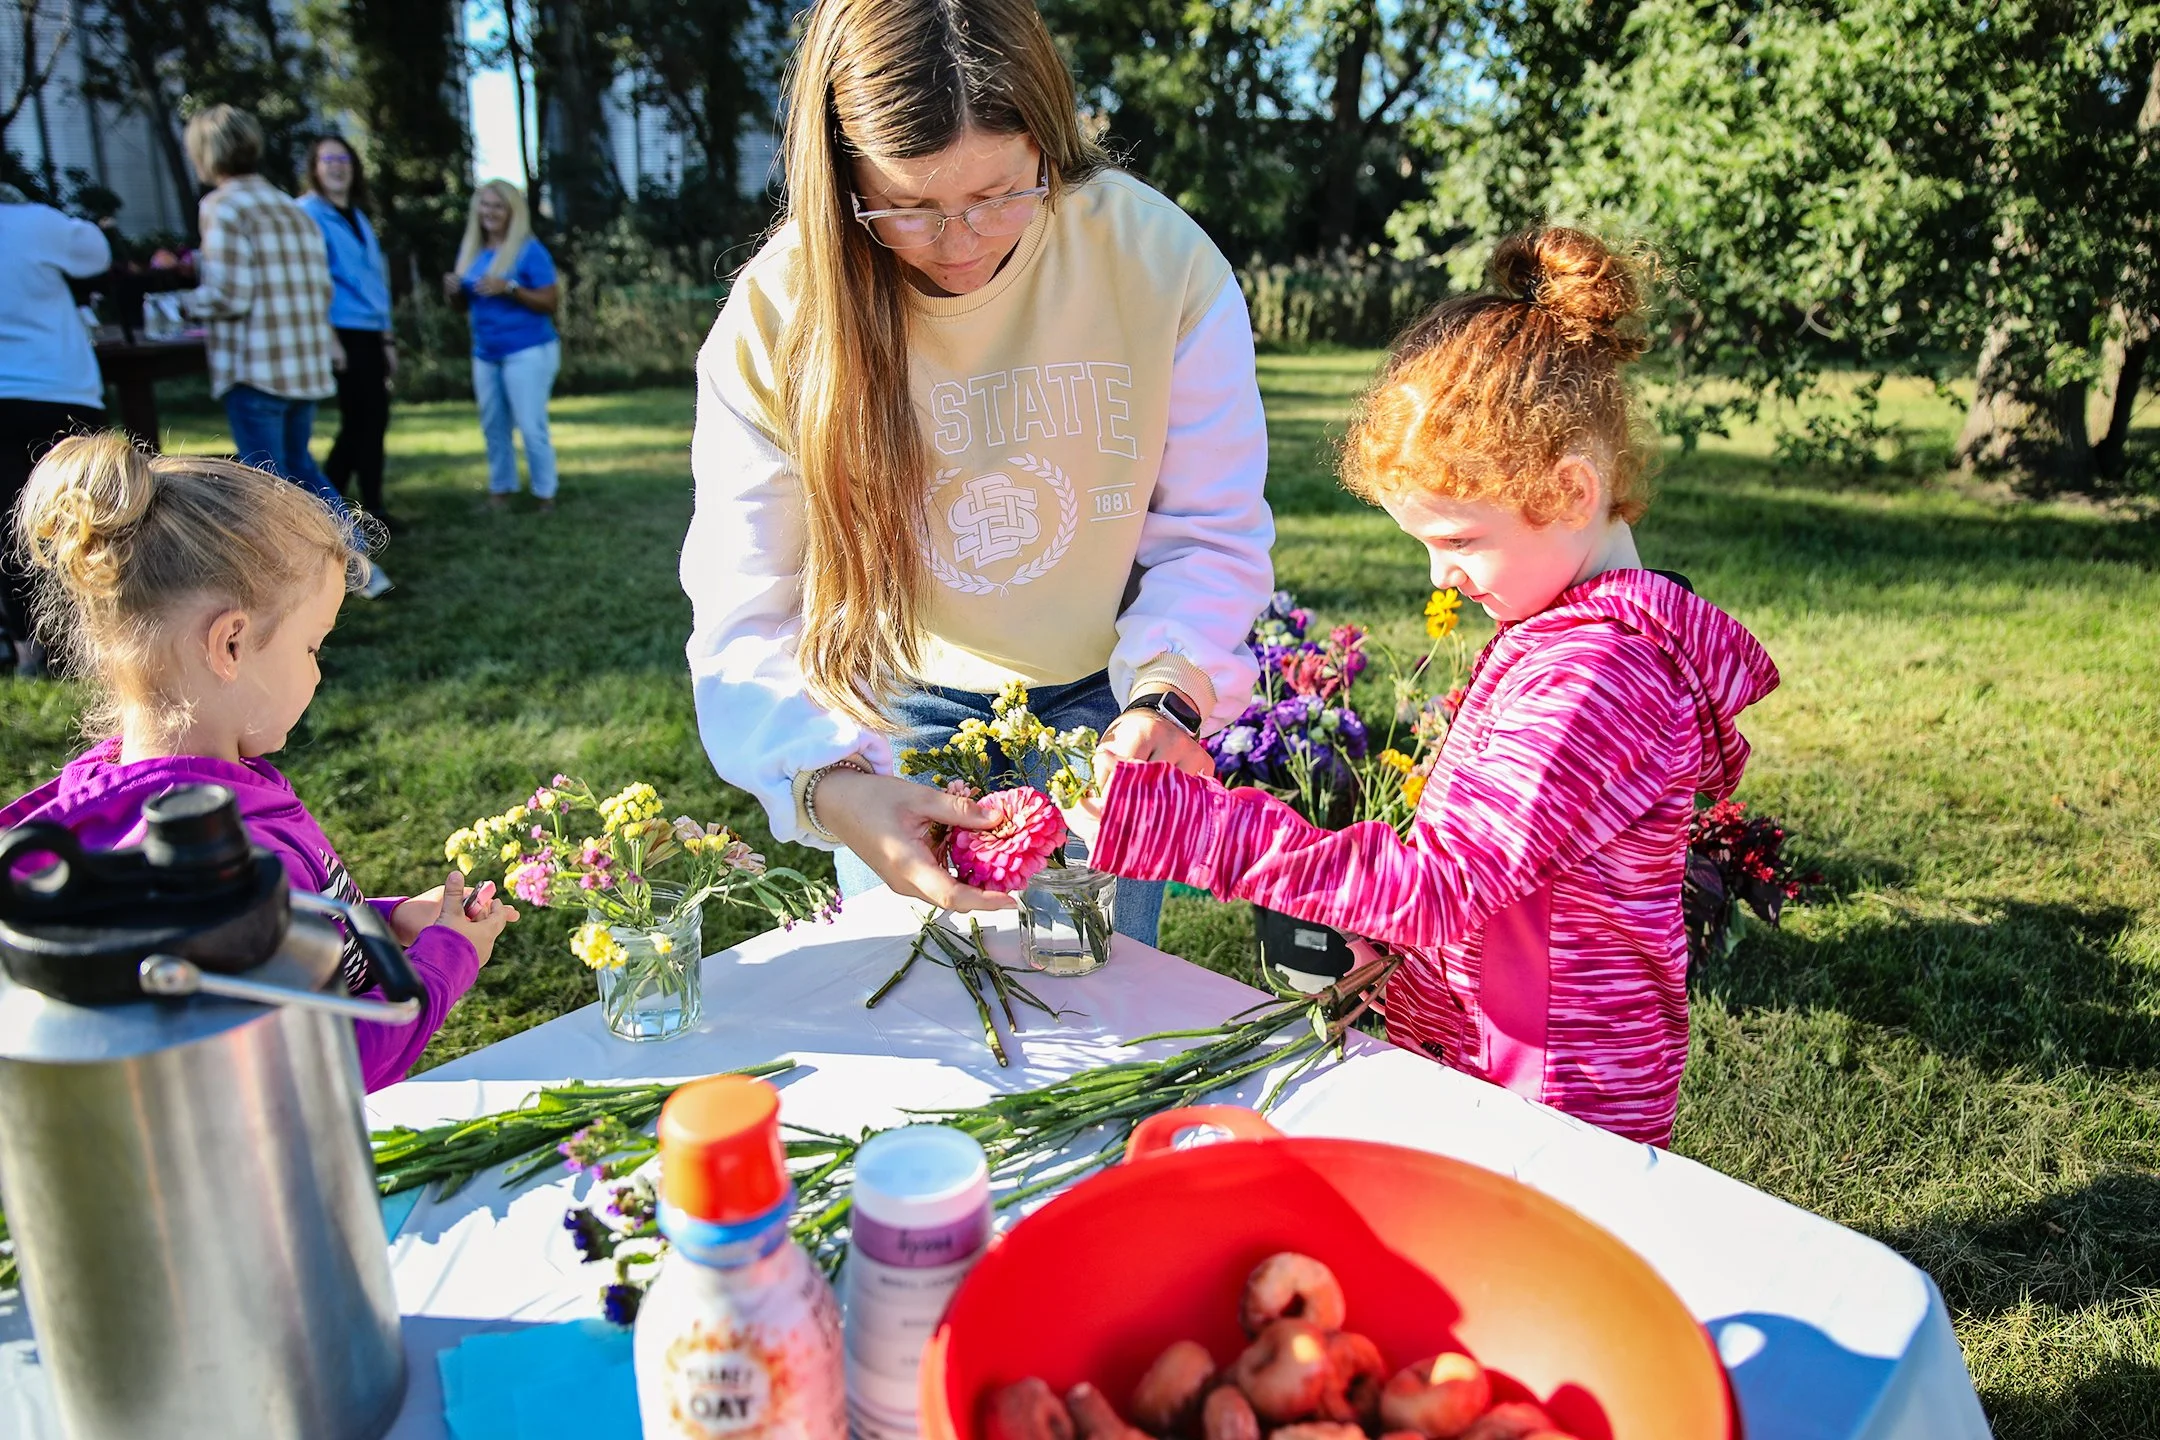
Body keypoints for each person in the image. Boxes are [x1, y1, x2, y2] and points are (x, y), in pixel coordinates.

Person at [1081, 228, 1780, 1146]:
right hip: (1502, 1050)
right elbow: (1494, 871)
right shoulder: (1557, 635)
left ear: (1572, 493)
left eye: (1457, 541)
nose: (1440, 576)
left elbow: (1444, 886)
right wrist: (1402, 950)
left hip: (1548, 1097)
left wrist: (1205, 829)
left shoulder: (1595, 679)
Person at [681, 0, 1274, 945]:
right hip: (888, 719)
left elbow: (1212, 532)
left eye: (1001, 193)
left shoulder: (1159, 262)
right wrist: (831, 784)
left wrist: (1170, 692)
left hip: (1109, 707)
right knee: (919, 1025)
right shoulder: (776, 314)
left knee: (1102, 1020)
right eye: (907, 207)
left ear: (1049, 141)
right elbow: (747, 605)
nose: (959, 242)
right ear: (839, 178)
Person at [0, 433, 514, 1088]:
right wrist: (449, 959)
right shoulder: (208, 859)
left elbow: (290, 939)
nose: (318, 673)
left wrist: (385, 924)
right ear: (232, 644)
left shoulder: (140, 796)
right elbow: (332, 1062)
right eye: (310, 647)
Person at [180, 105, 392, 598]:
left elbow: (230, 294)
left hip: (257, 367)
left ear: (207, 153)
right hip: (304, 363)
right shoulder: (291, 208)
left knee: (263, 482)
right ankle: (359, 565)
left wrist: (182, 305)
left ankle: (275, 586)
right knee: (300, 467)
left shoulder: (222, 206)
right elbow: (321, 289)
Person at [0, 186, 112, 677]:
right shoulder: (35, 223)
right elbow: (96, 253)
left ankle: (28, 645)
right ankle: (95, 637)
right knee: (88, 520)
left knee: (9, 526)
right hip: (59, 389)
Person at [298, 136, 399, 529]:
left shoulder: (358, 217)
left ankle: (373, 507)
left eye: (344, 159)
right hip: (341, 330)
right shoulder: (306, 212)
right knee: (360, 421)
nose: (338, 166)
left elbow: (375, 281)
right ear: (314, 168)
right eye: (328, 160)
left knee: (373, 420)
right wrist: (329, 339)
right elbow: (310, 281)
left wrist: (387, 338)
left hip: (370, 330)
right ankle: (326, 508)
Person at [443, 181, 560, 512]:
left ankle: (545, 495)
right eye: (484, 205)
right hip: (486, 352)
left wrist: (509, 288)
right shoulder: (472, 252)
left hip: (528, 350)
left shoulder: (529, 250)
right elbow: (462, 307)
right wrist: (453, 290)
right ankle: (500, 493)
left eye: (497, 206)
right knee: (493, 426)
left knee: (530, 424)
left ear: (512, 212)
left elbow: (551, 301)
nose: (489, 212)